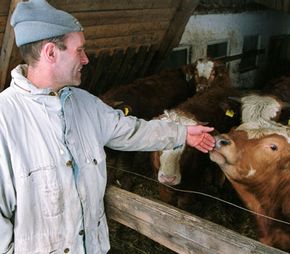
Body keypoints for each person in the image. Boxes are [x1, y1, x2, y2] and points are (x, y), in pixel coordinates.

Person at [0, 0, 215, 253]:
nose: (86, 59)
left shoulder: (85, 104)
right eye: (79, 50)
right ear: (50, 53)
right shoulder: (5, 119)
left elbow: (131, 131)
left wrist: (182, 133)